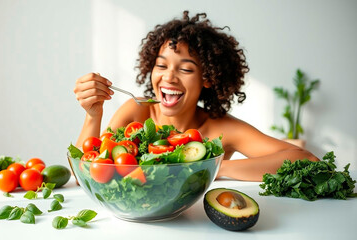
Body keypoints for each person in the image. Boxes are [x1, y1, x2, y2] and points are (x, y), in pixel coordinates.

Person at [73, 11, 318, 181]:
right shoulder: (137, 111)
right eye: (161, 65)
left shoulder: (220, 128)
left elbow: (306, 159)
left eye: (186, 69)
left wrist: (213, 167)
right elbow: (85, 170)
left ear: (208, 78)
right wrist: (93, 116)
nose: (169, 77)